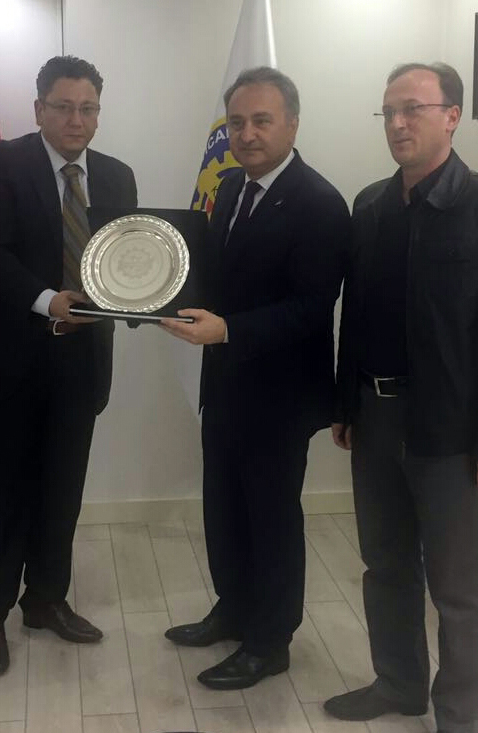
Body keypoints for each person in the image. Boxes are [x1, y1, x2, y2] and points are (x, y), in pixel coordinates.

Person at [325, 62, 478, 733]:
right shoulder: (370, 206)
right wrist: (347, 406)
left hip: (450, 432)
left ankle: (458, 714)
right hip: (375, 416)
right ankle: (398, 684)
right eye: (388, 111)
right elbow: (355, 317)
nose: (397, 123)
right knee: (384, 564)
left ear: (451, 116)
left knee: (458, 586)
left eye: (412, 109)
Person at [160, 67, 350, 690]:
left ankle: (270, 642)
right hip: (225, 385)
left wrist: (228, 331)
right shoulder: (229, 189)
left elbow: (313, 307)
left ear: (292, 123)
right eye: (237, 122)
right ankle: (234, 609)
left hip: (280, 397)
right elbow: (219, 279)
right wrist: (159, 299)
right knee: (224, 507)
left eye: (261, 120)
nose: (247, 134)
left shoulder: (320, 203)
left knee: (271, 517)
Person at [0, 55, 138, 676]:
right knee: (0, 491)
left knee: (62, 488)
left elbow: (126, 261)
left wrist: (143, 300)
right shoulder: (0, 162)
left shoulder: (116, 176)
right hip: (8, 359)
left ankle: (45, 600)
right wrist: (47, 300)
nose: (76, 120)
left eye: (88, 109)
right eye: (63, 107)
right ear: (39, 109)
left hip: (80, 363)